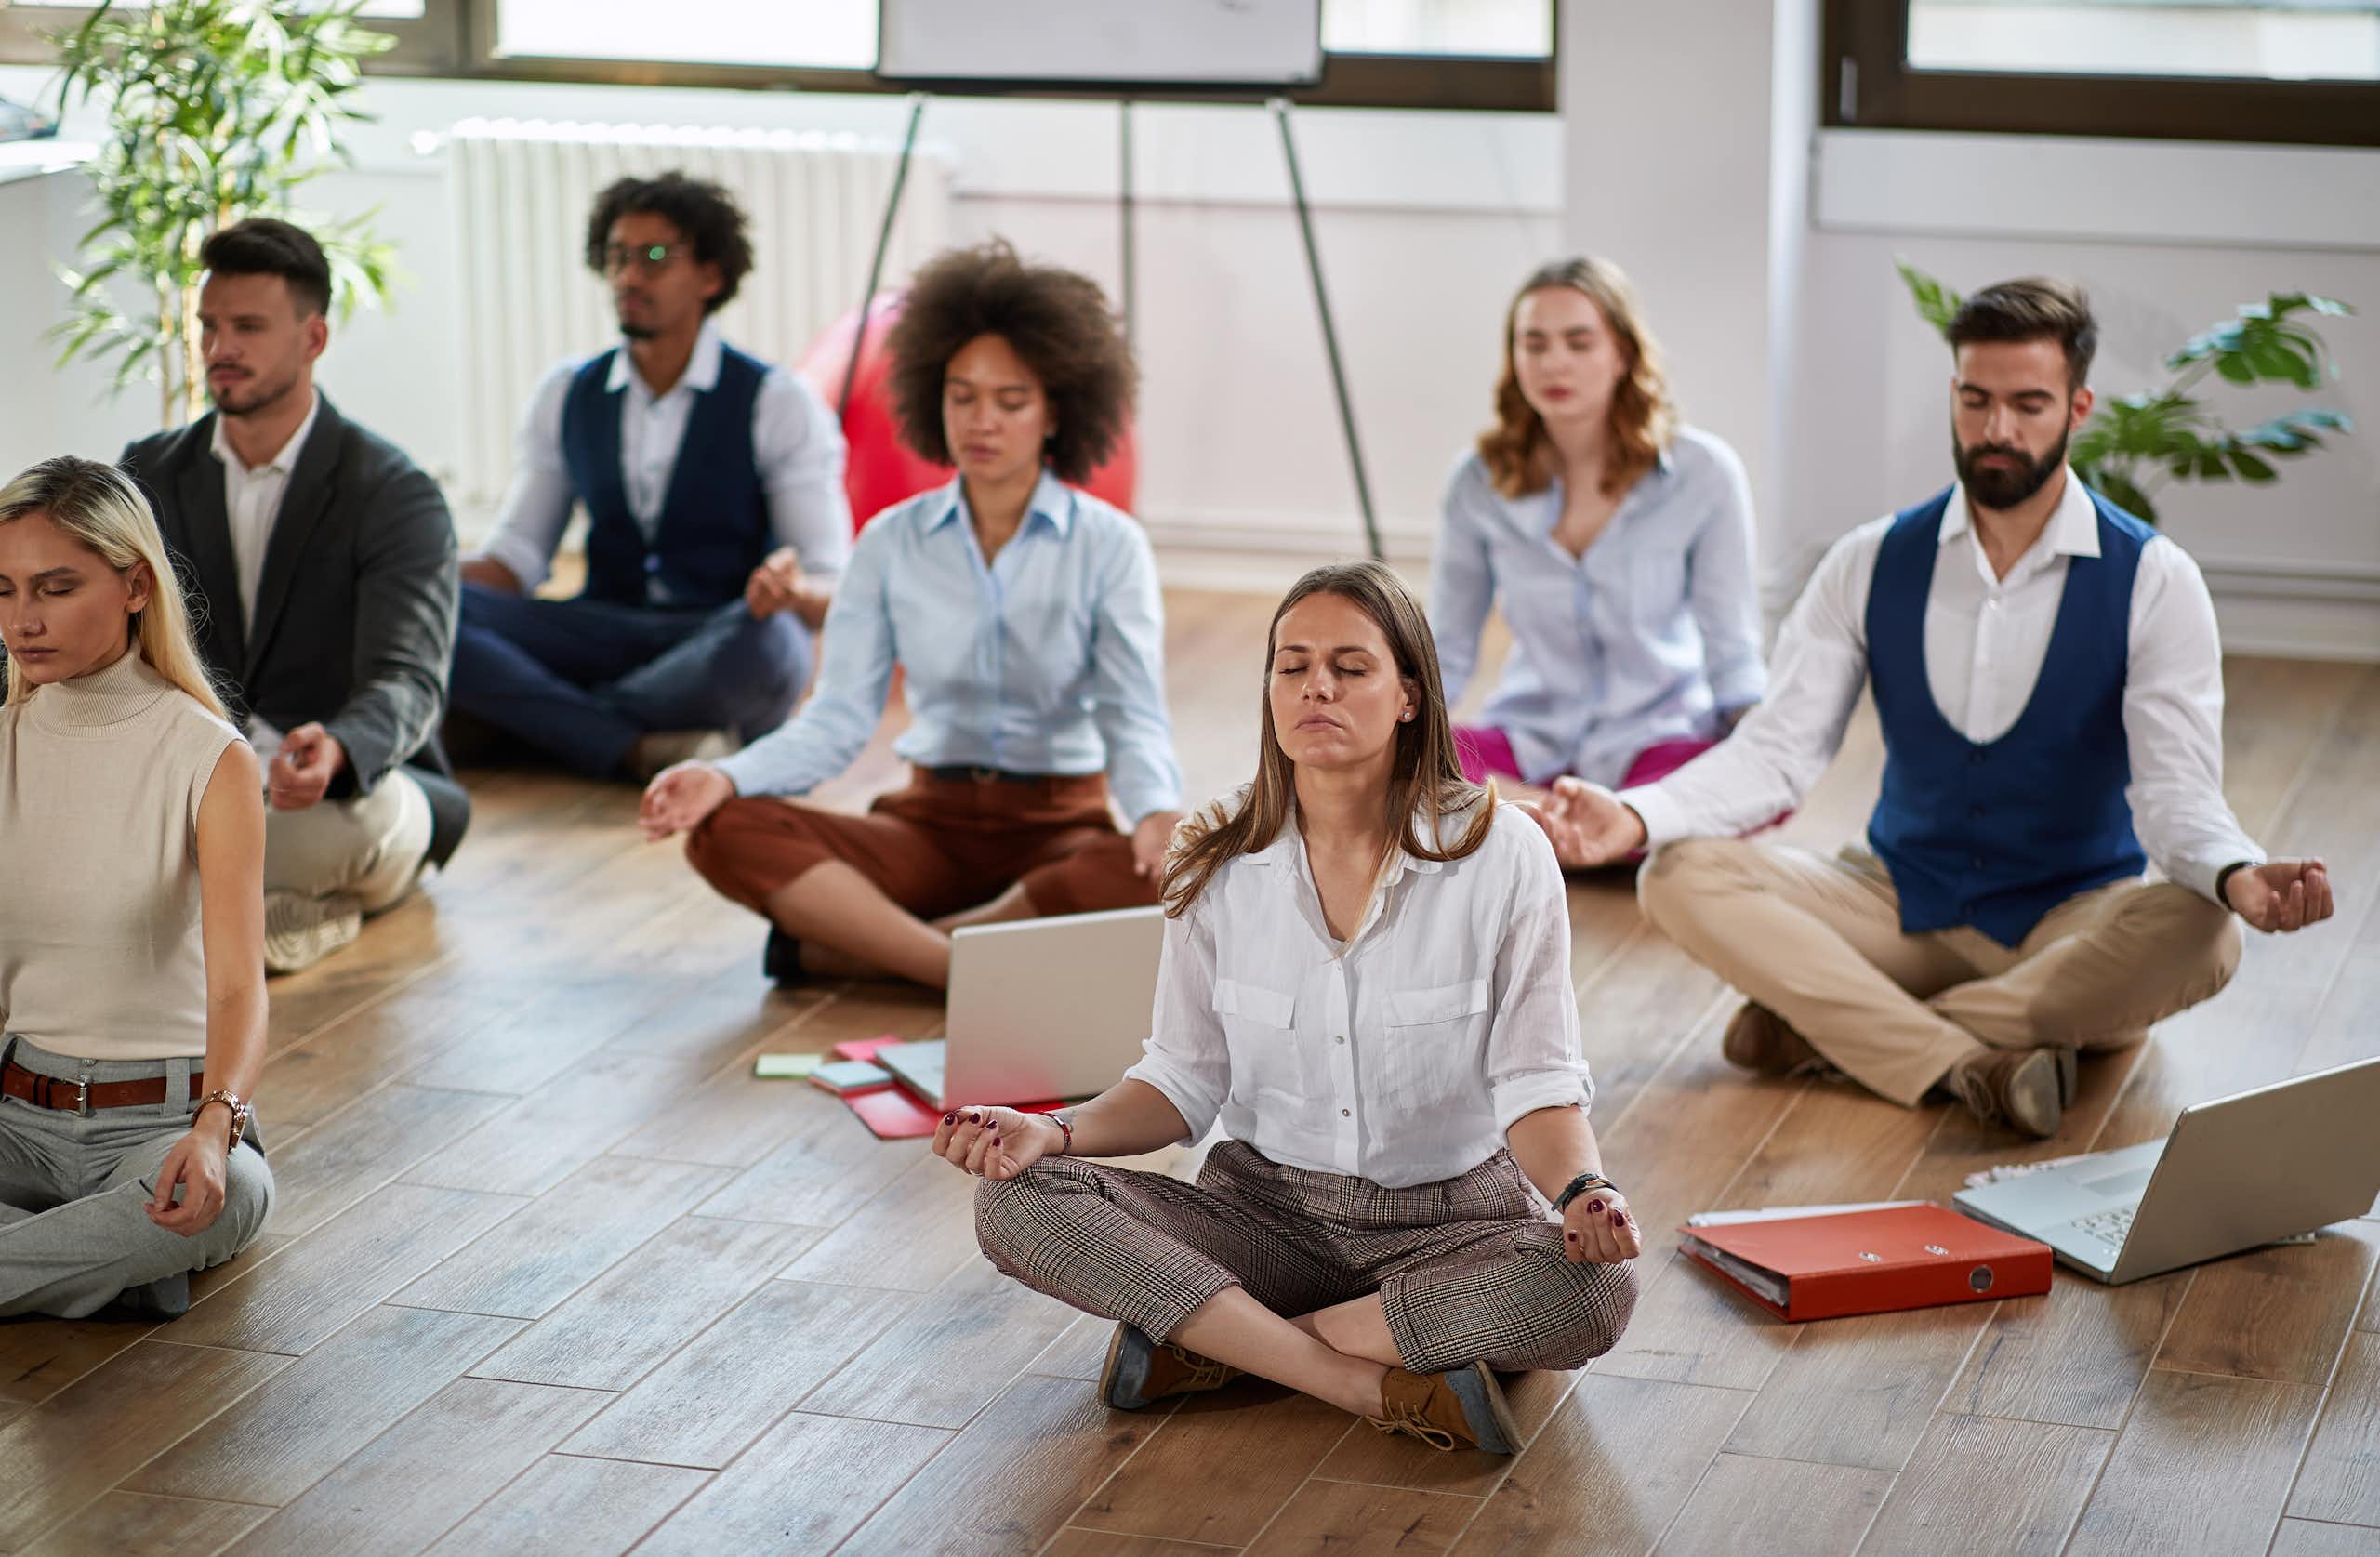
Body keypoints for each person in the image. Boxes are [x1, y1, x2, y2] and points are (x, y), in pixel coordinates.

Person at [1533, 277, 2335, 1139]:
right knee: (1678, 874)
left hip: (2070, 922)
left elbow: (2176, 793)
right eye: (1976, 399)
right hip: (1896, 899)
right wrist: (1634, 814)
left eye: (2029, 404)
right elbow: (1776, 752)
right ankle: (1972, 1055)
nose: (1997, 430)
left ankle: (1836, 1031)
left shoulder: (2154, 578)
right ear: (1953, 395)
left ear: (2079, 407)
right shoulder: (1869, 560)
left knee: (2205, 931)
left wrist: (2237, 872)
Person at [932, 561, 1639, 1454]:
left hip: (1454, 1223)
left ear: (1409, 695)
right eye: (1292, 664)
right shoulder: (1212, 851)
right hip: (1260, 1219)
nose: (1317, 687)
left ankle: (1225, 1345)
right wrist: (1053, 1131)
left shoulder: (1504, 853)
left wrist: (1584, 1190)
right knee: (1015, 1200)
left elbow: (1536, 1081)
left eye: (1350, 666)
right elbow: (1181, 1081)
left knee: (1595, 1288)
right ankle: (1362, 1379)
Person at [641, 240, 1183, 991]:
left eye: (1011, 400)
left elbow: (1134, 713)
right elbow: (837, 721)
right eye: (962, 395)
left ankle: (861, 951)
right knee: (725, 828)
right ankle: (957, 967)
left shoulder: (1110, 544)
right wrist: (726, 776)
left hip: (1061, 836)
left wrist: (1156, 810)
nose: (981, 421)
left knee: (1180, 873)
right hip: (926, 828)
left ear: (1057, 409)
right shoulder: (890, 540)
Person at [120, 218, 466, 974]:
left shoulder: (395, 493)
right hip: (196, 784)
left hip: (345, 793)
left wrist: (341, 748)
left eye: (248, 327)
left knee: (228, 857)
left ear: (313, 340)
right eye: (209, 325)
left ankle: (205, 930)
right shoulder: (149, 472)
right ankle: (280, 923)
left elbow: (409, 679)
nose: (219, 349)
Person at [451, 170, 852, 780]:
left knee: (771, 649)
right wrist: (421, 573)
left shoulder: (777, 401)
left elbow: (830, 586)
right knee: (434, 613)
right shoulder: (568, 392)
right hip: (601, 628)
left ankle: (542, 723)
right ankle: (632, 745)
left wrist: (792, 590)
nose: (629, 278)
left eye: (655, 258)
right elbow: (518, 558)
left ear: (712, 276)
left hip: (717, 633)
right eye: (617, 258)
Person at [0, 457, 272, 1317]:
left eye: (54, 587)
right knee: (136, 1238)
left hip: (162, 1126)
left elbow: (238, 985)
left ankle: (96, 1261)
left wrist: (213, 1130)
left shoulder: (210, 757)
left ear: (135, 585)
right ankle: (92, 1269)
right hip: (15, 1116)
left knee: (213, 1202)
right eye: (2, 591)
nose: (22, 620)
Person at [1433, 257, 1765, 804]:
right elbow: (1447, 647)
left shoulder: (1704, 474)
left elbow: (1732, 650)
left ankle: (1537, 827)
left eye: (1579, 342)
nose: (1553, 363)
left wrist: (1759, 752)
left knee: (1736, 783)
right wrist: (1395, 744)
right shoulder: (1476, 482)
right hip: (1529, 737)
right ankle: (1580, 827)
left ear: (1623, 354)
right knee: (1401, 767)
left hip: (1658, 741)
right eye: (1533, 344)